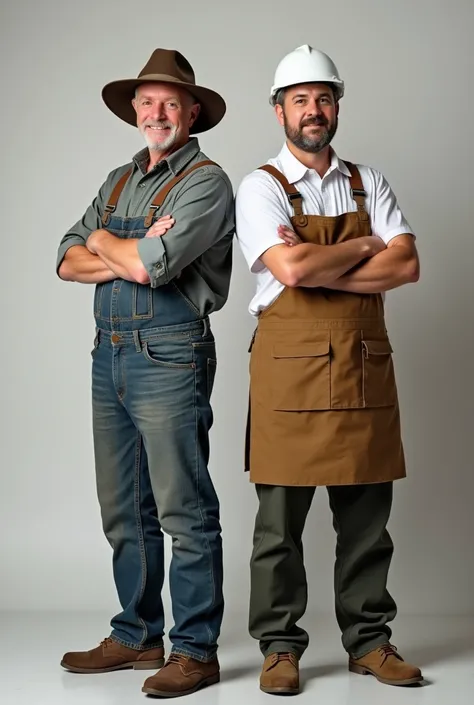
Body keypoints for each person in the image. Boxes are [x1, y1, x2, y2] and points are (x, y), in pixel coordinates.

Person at [235, 44, 422, 695]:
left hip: (365, 370)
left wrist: (326, 257)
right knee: (278, 529)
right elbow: (288, 271)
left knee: (368, 522)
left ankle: (370, 640)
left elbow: (407, 266)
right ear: (279, 109)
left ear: (336, 104)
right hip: (290, 376)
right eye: (300, 99)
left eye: (323, 97)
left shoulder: (370, 181)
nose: (314, 110)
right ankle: (280, 646)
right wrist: (370, 243)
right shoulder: (259, 185)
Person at [56, 48, 234, 698]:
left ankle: (195, 649)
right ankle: (136, 632)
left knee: (182, 507)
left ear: (193, 112)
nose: (157, 111)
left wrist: (105, 241)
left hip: (169, 351)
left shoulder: (206, 182)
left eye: (171, 102)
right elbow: (65, 258)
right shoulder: (117, 180)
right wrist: (115, 246)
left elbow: (153, 267)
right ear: (135, 110)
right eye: (147, 101)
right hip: (109, 352)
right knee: (122, 505)